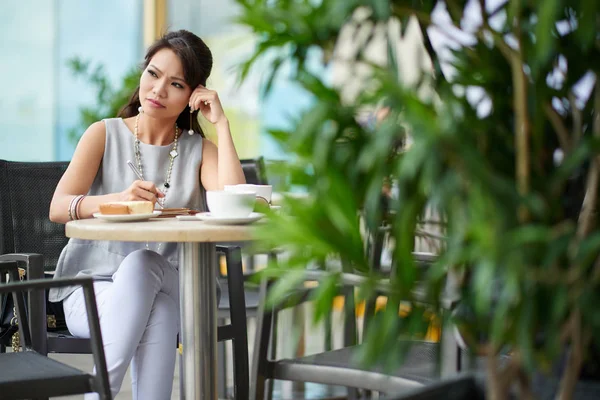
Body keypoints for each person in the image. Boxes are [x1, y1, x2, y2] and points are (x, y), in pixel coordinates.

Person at [48, 30, 246, 400]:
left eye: (175, 83)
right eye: (153, 74)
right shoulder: (102, 134)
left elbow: (234, 210)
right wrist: (116, 201)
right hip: (90, 292)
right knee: (159, 307)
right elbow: (58, 207)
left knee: (144, 266)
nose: (157, 90)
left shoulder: (199, 150)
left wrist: (222, 125)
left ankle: (97, 394)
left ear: (194, 94)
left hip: (180, 282)